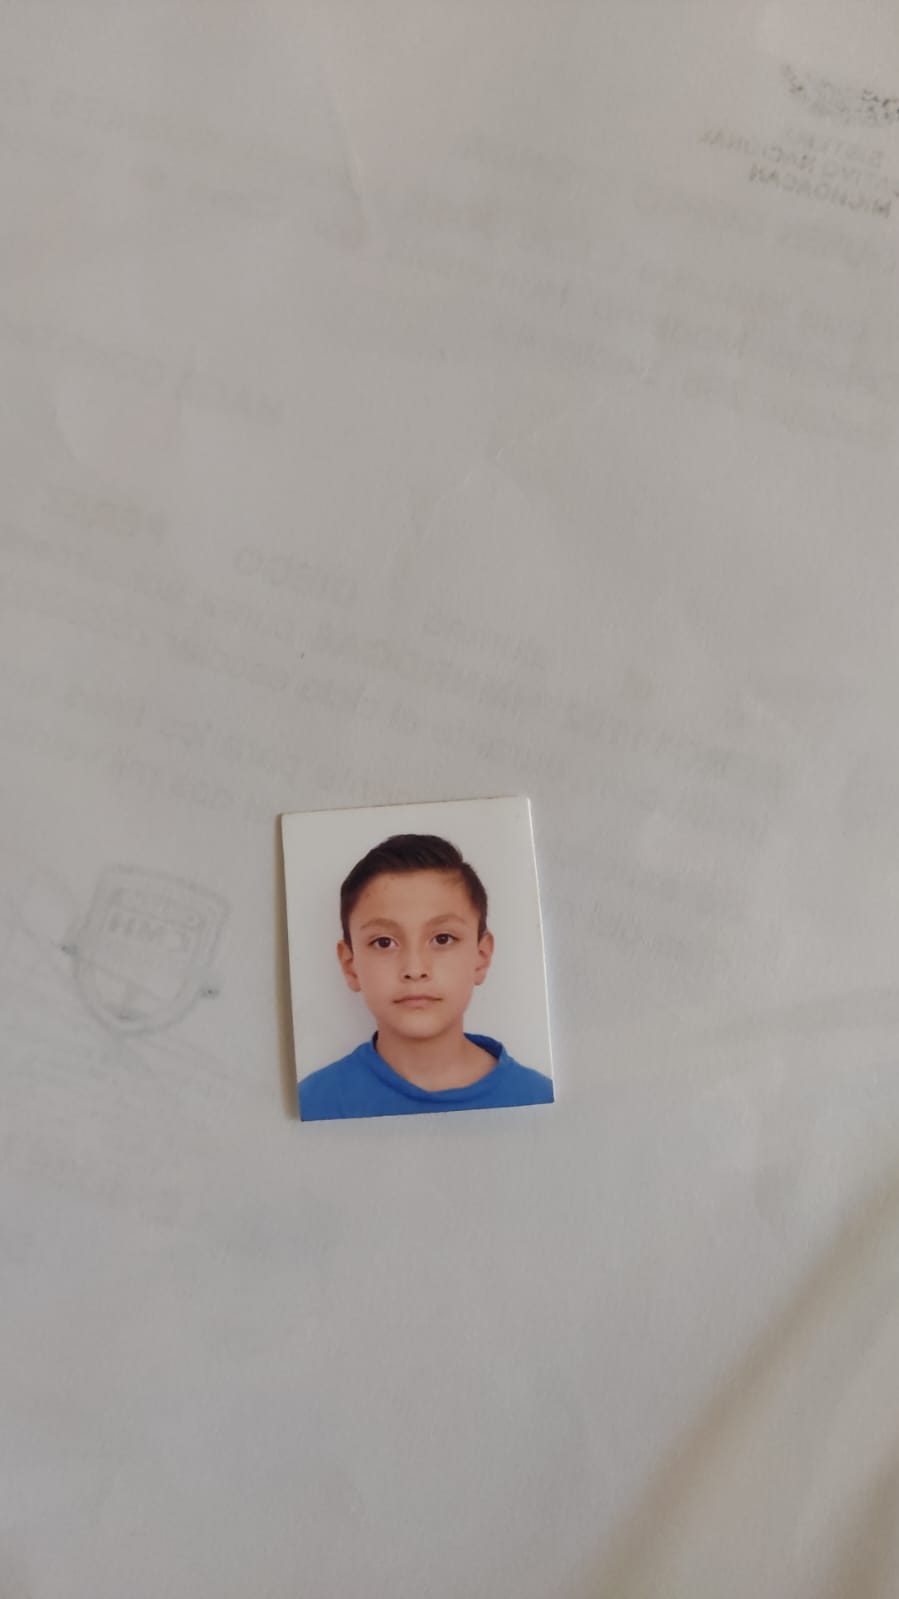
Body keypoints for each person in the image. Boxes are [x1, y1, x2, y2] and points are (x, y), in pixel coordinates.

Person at [298, 833, 554, 1121]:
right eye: (384, 942)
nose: (415, 969)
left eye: (442, 938)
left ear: (481, 956)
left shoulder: (540, 1100)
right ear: (350, 965)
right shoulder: (311, 1103)